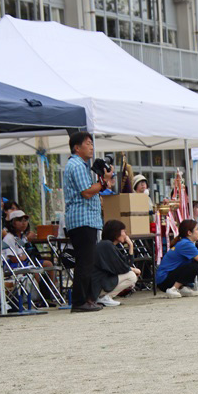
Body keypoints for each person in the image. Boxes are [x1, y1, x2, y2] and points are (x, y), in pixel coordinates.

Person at [63, 131, 114, 313]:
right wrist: (105, 182)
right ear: (77, 147)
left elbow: (91, 190)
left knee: (87, 261)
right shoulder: (76, 165)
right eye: (87, 143)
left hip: (86, 219)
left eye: (92, 143)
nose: (91, 147)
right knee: (84, 262)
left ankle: (87, 299)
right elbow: (86, 192)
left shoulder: (82, 166)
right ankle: (79, 302)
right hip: (81, 219)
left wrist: (102, 183)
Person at [156, 219, 198, 297]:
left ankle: (181, 287)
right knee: (194, 265)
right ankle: (173, 288)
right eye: (197, 229)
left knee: (195, 264)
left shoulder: (185, 242)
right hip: (164, 280)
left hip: (166, 278)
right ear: (189, 232)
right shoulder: (185, 244)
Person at [90, 220, 140, 307]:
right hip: (98, 285)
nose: (125, 234)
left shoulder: (108, 245)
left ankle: (104, 297)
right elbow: (123, 268)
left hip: (98, 284)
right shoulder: (107, 245)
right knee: (131, 276)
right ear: (116, 233)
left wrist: (131, 246)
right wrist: (134, 269)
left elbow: (127, 264)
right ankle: (104, 297)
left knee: (131, 274)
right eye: (124, 231)